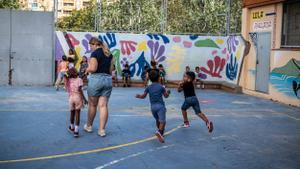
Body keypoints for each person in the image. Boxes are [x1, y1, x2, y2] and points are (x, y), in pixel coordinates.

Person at [84, 37, 114, 137]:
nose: (90, 48)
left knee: (92, 105)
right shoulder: (109, 54)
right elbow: (110, 71)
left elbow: (93, 68)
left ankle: (89, 126)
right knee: (103, 106)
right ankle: (102, 130)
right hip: (108, 80)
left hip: (96, 80)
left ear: (94, 44)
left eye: (91, 46)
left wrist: (87, 69)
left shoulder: (95, 53)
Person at [136, 69, 170, 143]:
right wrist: (168, 92)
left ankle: (160, 132)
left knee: (158, 120)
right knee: (163, 121)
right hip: (160, 107)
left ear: (150, 79)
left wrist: (139, 96)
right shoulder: (161, 87)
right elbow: (166, 96)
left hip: (153, 107)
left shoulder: (148, 87)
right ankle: (160, 132)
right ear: (159, 78)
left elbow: (143, 96)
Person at [65, 67, 87, 137]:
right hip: (77, 98)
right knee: (77, 114)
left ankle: (72, 127)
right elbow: (80, 90)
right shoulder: (79, 80)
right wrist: (85, 99)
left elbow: (65, 76)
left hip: (71, 98)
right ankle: (76, 131)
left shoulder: (69, 80)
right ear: (76, 72)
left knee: (72, 113)